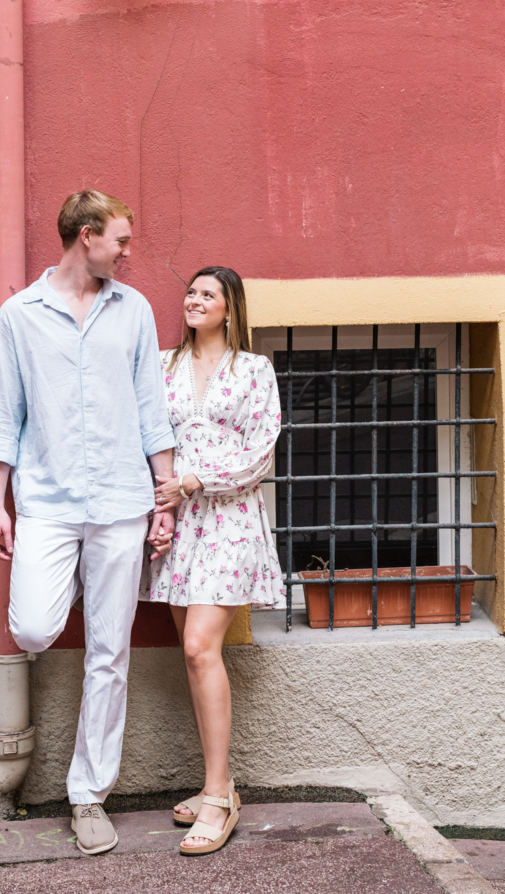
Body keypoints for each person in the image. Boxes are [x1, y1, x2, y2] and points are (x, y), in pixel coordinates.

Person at [0, 190, 175, 858]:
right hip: (49, 503)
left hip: (122, 502)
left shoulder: (135, 311)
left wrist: (165, 496)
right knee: (33, 623)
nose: (127, 251)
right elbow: (4, 413)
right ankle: (78, 585)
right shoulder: (19, 317)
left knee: (109, 654)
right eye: (120, 240)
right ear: (86, 236)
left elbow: (153, 407)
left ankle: (88, 794)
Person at [145, 266, 285, 856]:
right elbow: (149, 438)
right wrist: (161, 509)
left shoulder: (254, 370)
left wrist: (195, 481)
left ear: (230, 308)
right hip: (179, 527)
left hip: (229, 518)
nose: (194, 300)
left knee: (202, 647)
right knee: (194, 656)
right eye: (191, 292)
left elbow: (262, 455)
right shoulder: (160, 365)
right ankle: (219, 782)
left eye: (208, 294)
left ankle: (218, 798)